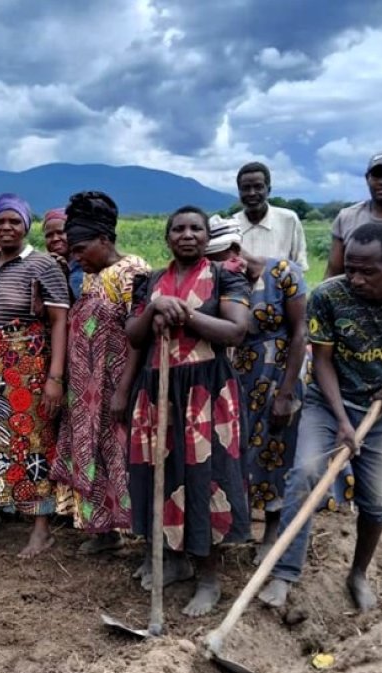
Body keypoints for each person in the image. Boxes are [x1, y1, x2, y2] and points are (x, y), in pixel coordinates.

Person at [125, 206, 251, 616]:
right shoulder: (148, 283)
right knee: (161, 475)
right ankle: (171, 561)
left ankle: (209, 578)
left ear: (206, 236)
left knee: (205, 479)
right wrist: (153, 310)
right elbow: (134, 336)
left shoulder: (226, 277)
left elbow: (235, 331)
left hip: (206, 392)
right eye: (178, 228)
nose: (187, 234)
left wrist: (186, 314)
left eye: (196, 228)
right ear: (167, 238)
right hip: (158, 390)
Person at [259, 223, 382, 613]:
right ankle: (283, 574)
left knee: (378, 502)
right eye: (351, 269)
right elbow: (324, 362)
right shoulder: (330, 295)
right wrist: (342, 420)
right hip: (328, 402)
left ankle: (358, 573)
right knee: (305, 475)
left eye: (369, 271)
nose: (357, 279)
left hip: (381, 414)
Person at [0, 193, 70, 558]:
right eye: (0, 222)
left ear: (26, 225)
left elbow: (58, 321)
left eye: (14, 221)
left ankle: (41, 528)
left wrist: (55, 377)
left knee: (32, 440)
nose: (7, 228)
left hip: (26, 368)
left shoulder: (43, 265)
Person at [205, 215, 307, 564]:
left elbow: (299, 334)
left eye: (217, 261)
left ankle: (273, 532)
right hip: (239, 379)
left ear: (234, 251)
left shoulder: (283, 273)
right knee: (241, 453)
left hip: (279, 375)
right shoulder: (226, 281)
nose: (213, 269)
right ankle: (241, 524)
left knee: (275, 455)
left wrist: (286, 394)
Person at [51, 191, 149, 554]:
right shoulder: (92, 276)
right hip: (86, 387)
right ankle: (102, 532)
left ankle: (135, 534)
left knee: (121, 457)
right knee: (93, 456)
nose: (75, 257)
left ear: (105, 240)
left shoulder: (133, 272)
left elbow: (138, 338)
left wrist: (123, 390)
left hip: (116, 386)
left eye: (80, 250)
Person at [235, 162, 308, 271]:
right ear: (239, 192)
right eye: (246, 188)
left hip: (280, 287)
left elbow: (299, 265)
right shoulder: (231, 225)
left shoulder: (289, 220)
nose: (252, 193)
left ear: (268, 190)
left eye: (258, 187)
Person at [325, 152, 382, 278]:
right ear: (367, 179)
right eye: (377, 176)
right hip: (354, 293)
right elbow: (333, 272)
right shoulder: (347, 217)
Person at [42, 207, 83, 301]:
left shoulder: (87, 270)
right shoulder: (44, 269)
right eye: (49, 235)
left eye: (61, 232)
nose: (55, 239)